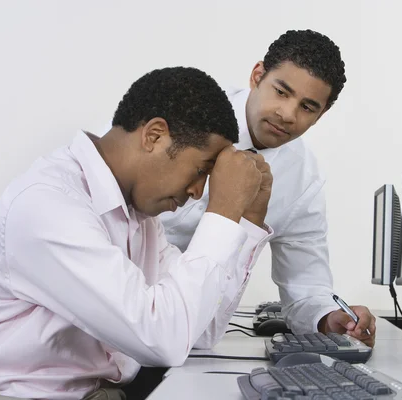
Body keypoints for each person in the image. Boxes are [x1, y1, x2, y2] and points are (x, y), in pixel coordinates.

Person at [0, 66, 273, 400]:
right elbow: (163, 340)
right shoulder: (48, 204)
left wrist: (247, 220)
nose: (197, 190)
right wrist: (221, 214)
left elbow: (198, 330)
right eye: (201, 170)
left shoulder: (140, 216)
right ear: (154, 136)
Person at [160, 30, 377, 347]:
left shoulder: (304, 180)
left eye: (307, 107)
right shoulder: (177, 114)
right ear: (257, 75)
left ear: (322, 114)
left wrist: (331, 319)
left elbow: (306, 286)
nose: (287, 114)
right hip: (120, 310)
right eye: (281, 91)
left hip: (193, 334)